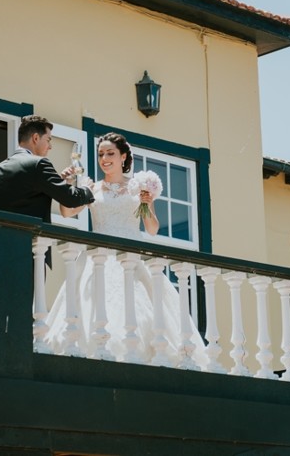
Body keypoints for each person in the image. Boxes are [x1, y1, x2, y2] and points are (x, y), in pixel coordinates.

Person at [43, 132, 205, 364]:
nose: (104, 158)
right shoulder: (94, 188)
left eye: (110, 153)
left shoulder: (137, 188)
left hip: (129, 259)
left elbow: (151, 229)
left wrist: (147, 204)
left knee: (140, 314)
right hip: (97, 258)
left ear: (123, 157)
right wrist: (69, 185)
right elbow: (68, 212)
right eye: (101, 154)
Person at [0, 115, 94, 224]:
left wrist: (61, 182)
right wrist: (87, 189)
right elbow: (71, 198)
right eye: (48, 140)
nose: (50, 146)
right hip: (30, 241)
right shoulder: (38, 164)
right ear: (35, 138)